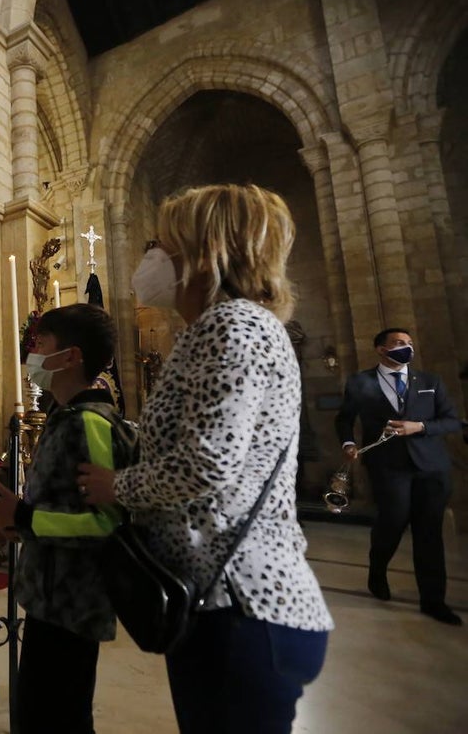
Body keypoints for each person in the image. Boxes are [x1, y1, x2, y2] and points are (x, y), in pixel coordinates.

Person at [77, 184, 333, 733]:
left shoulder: (232, 324)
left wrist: (114, 485)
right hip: (217, 598)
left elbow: (207, 463)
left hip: (242, 599)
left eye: (162, 243)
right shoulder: (219, 328)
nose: (152, 257)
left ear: (205, 253)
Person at [0, 304, 137, 734]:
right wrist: (23, 524)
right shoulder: (64, 417)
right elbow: (64, 504)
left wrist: (27, 517)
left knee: (61, 716)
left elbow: (104, 522)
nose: (32, 354)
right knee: (39, 711)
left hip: (74, 604)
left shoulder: (91, 423)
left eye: (40, 344)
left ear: (71, 356)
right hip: (51, 597)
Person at [334, 328, 462, 625]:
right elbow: (344, 418)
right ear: (381, 349)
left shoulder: (430, 381)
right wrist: (349, 443)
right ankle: (377, 570)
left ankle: (433, 601)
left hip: (431, 466)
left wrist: (419, 427)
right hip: (388, 466)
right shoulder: (360, 381)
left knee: (429, 533)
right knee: (391, 522)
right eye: (398, 343)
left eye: (409, 343)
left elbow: (451, 420)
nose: (406, 347)